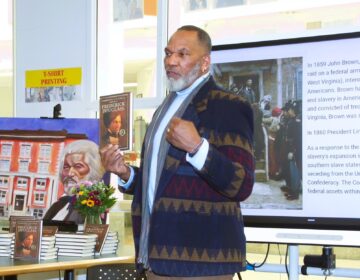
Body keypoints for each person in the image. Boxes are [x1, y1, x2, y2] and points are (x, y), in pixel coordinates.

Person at [100, 25, 255, 279]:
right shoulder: (165, 108)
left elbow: (242, 183)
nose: (171, 61)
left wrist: (198, 148)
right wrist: (126, 173)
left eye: (182, 54)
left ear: (205, 63)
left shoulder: (228, 106)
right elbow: (161, 185)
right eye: (168, 53)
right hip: (156, 259)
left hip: (201, 263)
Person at [43, 139, 105, 224]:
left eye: (78, 166)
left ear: (93, 170)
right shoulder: (57, 205)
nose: (69, 173)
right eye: (66, 167)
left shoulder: (94, 208)